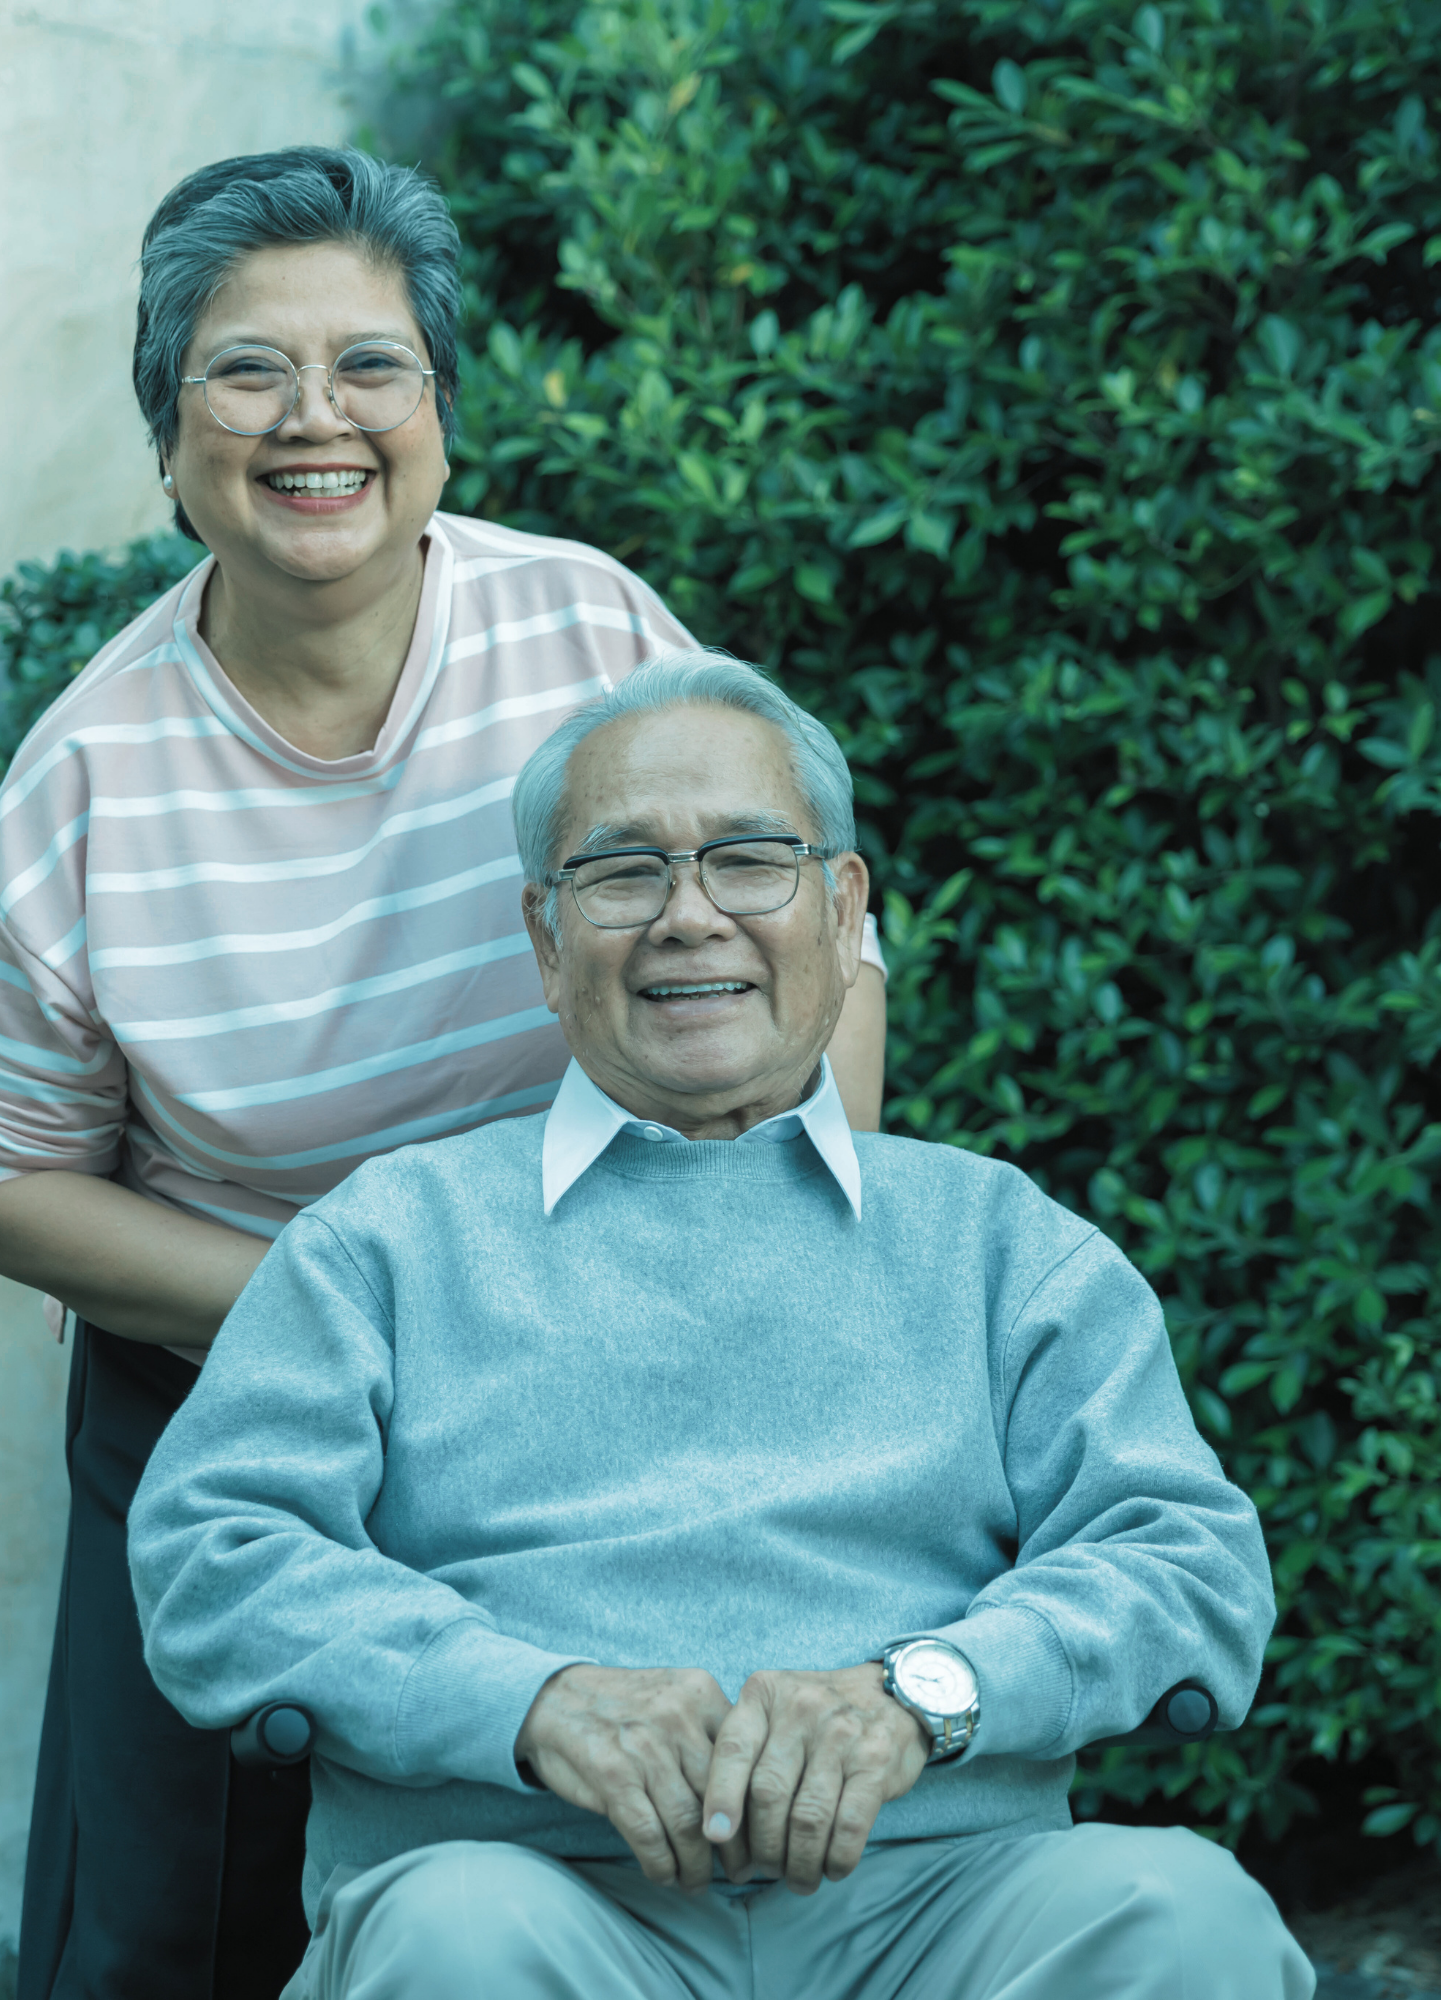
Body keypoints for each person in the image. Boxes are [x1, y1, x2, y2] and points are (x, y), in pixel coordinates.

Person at [0, 152, 890, 1997]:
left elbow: (815, 938)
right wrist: (357, 1304)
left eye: (373, 365)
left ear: (440, 413)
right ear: (169, 433)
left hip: (616, 1331)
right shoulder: (82, 786)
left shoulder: (590, 634)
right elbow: (8, 1177)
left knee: (617, 1857)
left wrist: (785, 1247)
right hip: (241, 1374)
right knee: (170, 1935)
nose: (319, 420)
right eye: (247, 371)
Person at [127, 652, 1311, 1999]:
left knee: (1183, 1912)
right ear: (545, 937)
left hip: (945, 1906)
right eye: (625, 874)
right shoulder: (386, 1241)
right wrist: (527, 1700)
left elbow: (1189, 1564)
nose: (690, 919)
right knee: (449, 1940)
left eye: (750, 860)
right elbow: (215, 1558)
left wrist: (928, 1692)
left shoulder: (1000, 1242)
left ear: (844, 906)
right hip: (530, 1894)